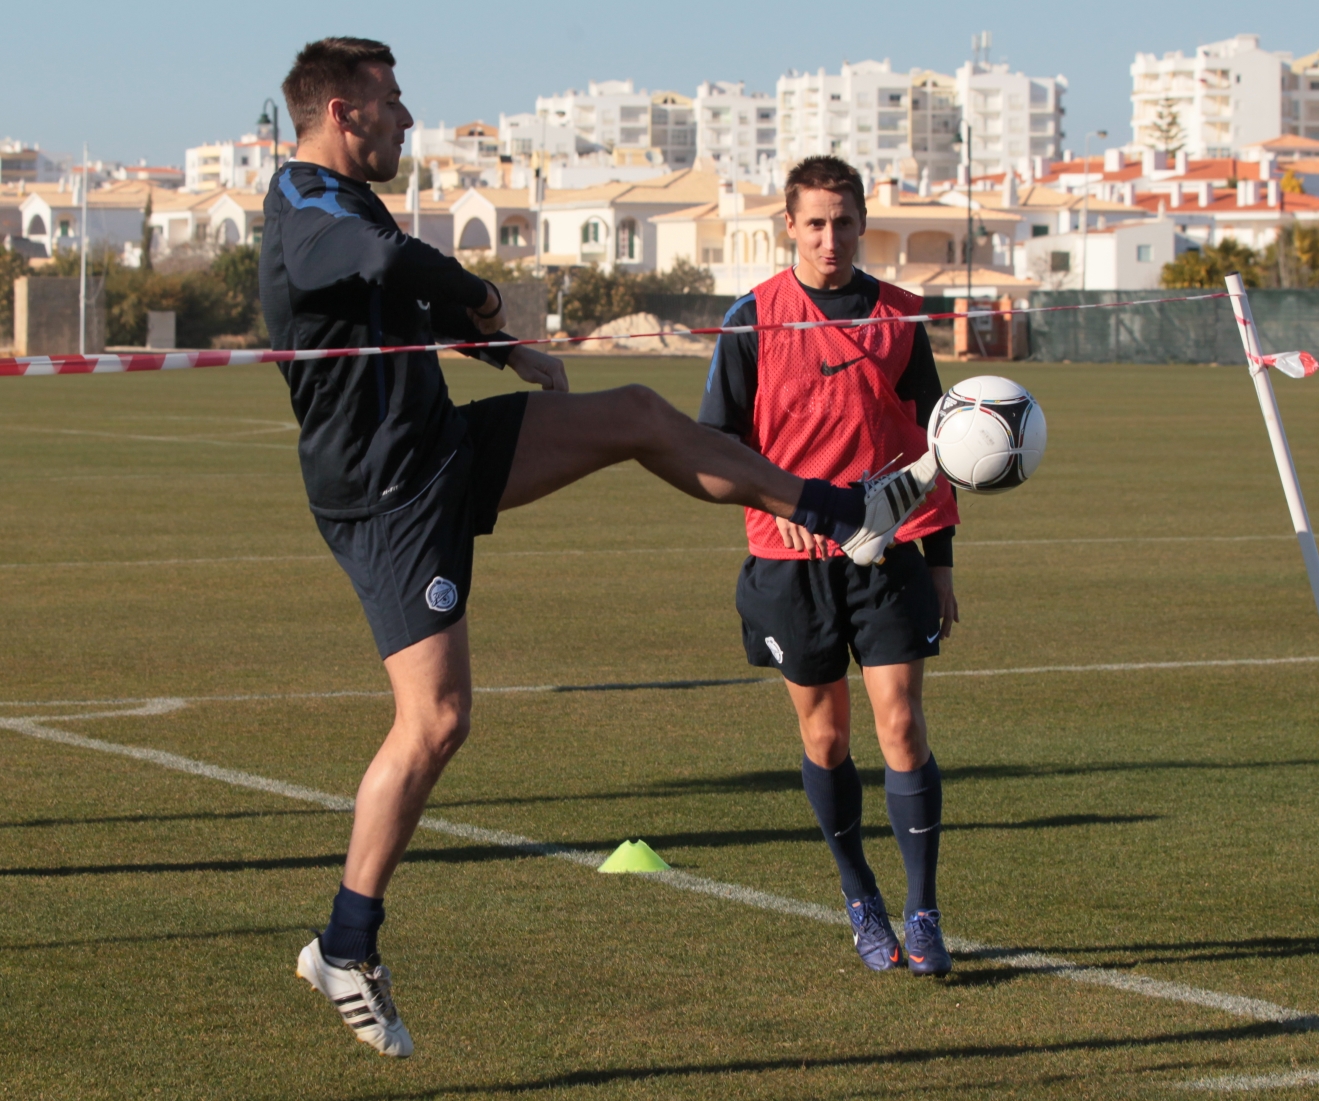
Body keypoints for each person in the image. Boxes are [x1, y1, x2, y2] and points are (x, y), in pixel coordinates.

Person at [262, 39, 941, 1058]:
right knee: (436, 720)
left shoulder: (344, 201)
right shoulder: (306, 204)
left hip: (438, 450)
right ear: (340, 112)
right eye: (391, 101)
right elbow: (383, 267)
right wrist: (481, 297)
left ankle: (838, 512)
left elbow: (393, 303)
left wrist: (499, 349)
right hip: (390, 497)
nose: (406, 117)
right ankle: (345, 946)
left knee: (637, 414)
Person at [698, 156, 959, 978]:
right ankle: (859, 895)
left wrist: (941, 562)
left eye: (844, 222)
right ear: (790, 226)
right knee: (827, 734)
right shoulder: (752, 318)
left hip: (888, 553)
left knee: (902, 725)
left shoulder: (900, 316)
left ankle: (924, 910)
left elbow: (939, 444)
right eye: (815, 223)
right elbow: (715, 446)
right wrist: (782, 504)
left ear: (862, 223)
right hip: (790, 563)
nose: (830, 237)